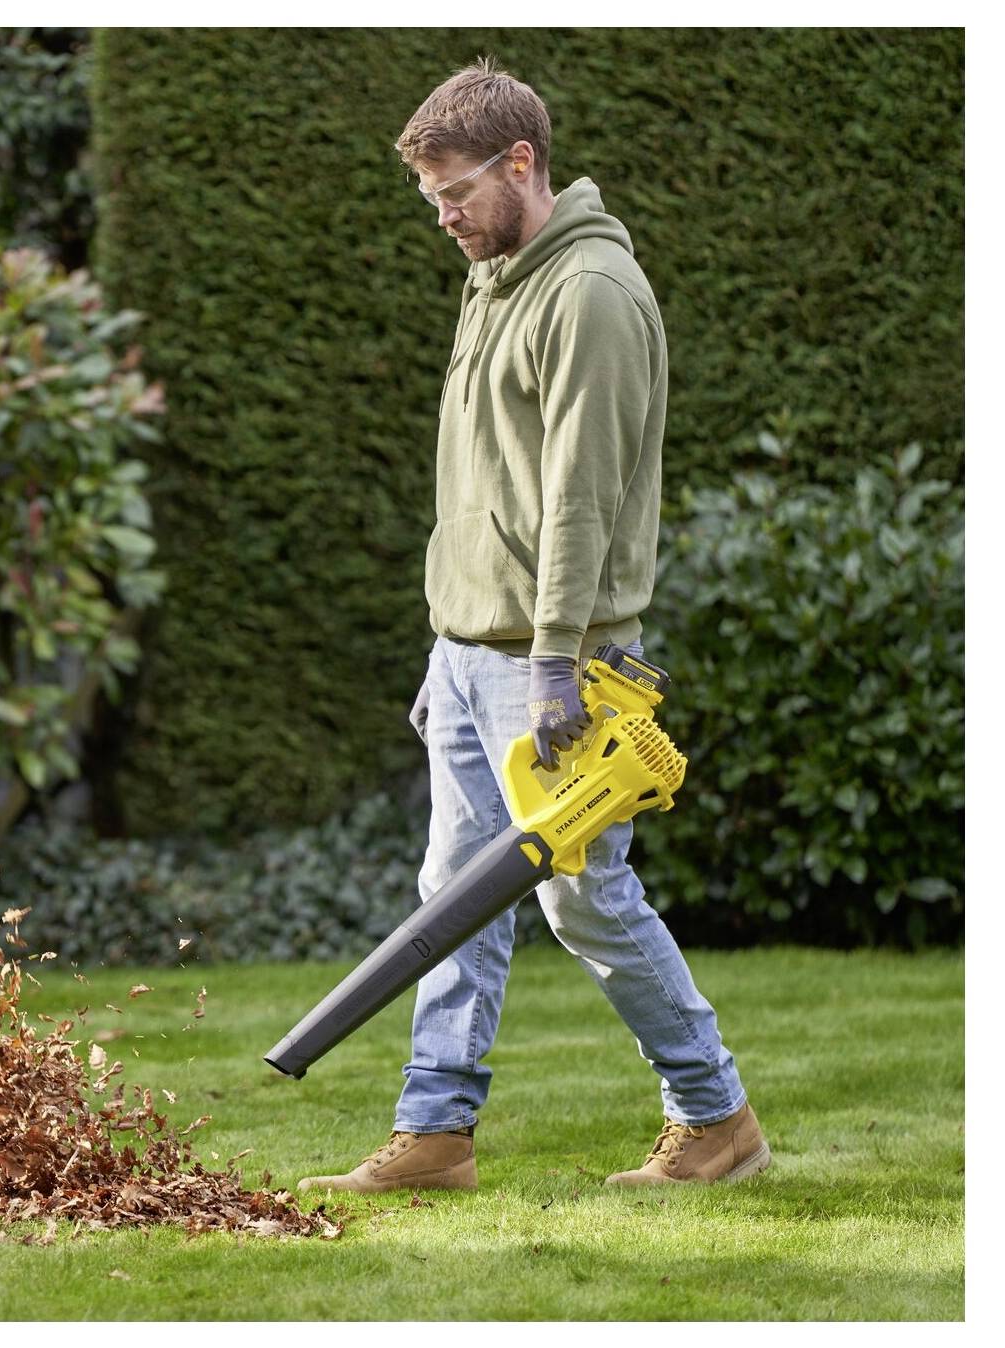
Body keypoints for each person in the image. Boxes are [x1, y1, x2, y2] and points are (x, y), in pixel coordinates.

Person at [298, 57, 768, 1194]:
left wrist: (553, 661)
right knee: (449, 897)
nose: (446, 217)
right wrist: (449, 641)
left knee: (584, 899)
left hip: (558, 661)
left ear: (522, 164)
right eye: (433, 201)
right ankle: (436, 1133)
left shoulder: (591, 293)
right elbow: (482, 483)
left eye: (456, 193)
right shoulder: (497, 274)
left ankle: (715, 1117)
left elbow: (579, 498)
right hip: (474, 652)